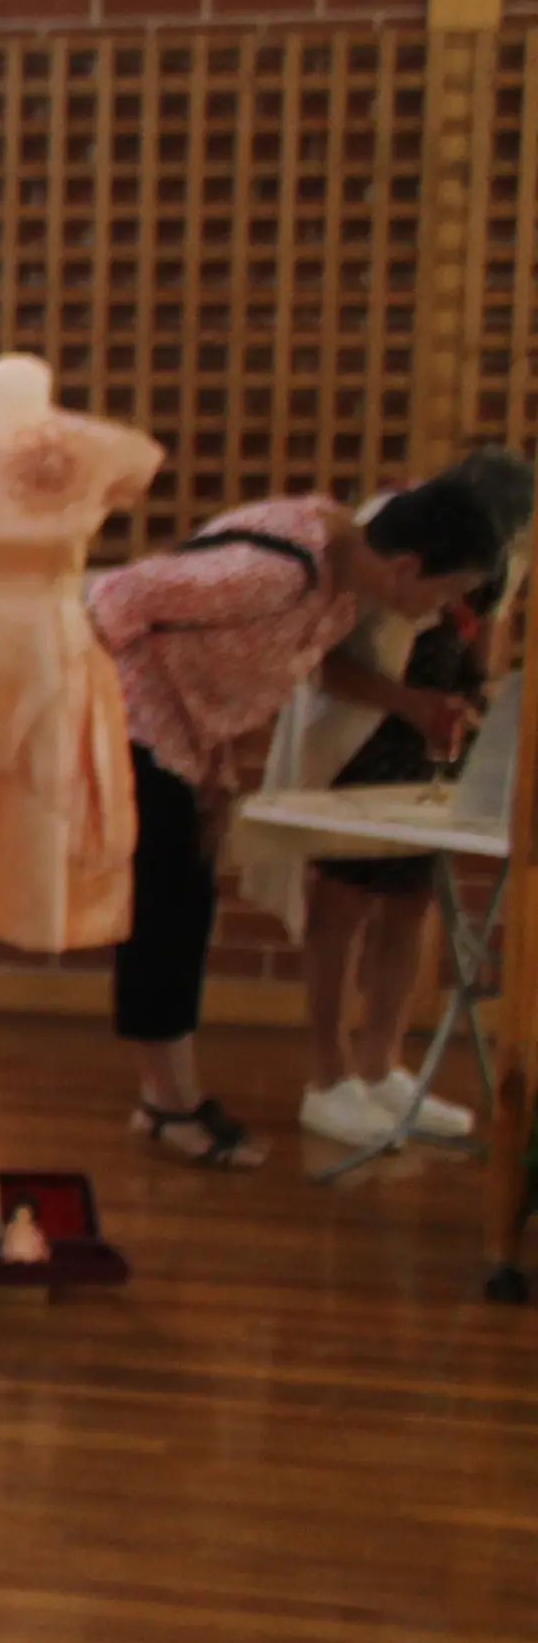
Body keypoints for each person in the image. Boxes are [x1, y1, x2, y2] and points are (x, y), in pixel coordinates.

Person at [88, 481, 498, 1166]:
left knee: (186, 907)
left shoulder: (339, 595)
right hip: (133, 723)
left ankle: (168, 1098)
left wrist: (213, 767)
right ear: (407, 568)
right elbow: (115, 597)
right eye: (445, 591)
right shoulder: (277, 573)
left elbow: (239, 676)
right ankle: (168, 1105)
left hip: (187, 739)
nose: (442, 609)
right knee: (162, 911)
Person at [256, 451, 533, 1149]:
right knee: (343, 900)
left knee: (412, 900)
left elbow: (482, 635)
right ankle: (327, 1078)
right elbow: (321, 661)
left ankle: (380, 1066)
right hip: (364, 728)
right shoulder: (385, 539)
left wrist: (472, 696)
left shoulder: (495, 552)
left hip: (430, 728)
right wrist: (408, 703)